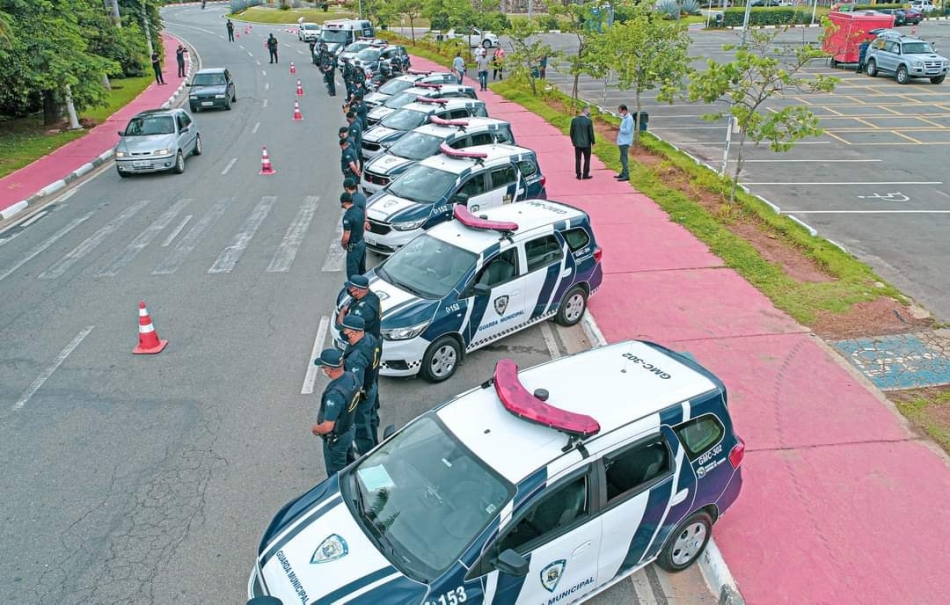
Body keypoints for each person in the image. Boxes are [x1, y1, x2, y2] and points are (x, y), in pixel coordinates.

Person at [312, 349, 361, 477]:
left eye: (323, 367)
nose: (323, 370)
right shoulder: (351, 377)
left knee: (337, 475)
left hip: (337, 439)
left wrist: (316, 429)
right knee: (350, 464)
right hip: (349, 429)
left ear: (329, 369)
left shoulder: (334, 395)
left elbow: (328, 426)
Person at [338, 315, 381, 459]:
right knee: (371, 418)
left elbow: (356, 384)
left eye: (345, 330)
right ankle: (376, 445)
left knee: (361, 427)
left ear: (353, 332)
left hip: (363, 395)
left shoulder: (356, 357)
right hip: (372, 386)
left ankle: (368, 456)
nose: (343, 332)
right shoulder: (370, 339)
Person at [336, 275, 381, 340]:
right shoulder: (371, 296)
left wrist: (342, 311)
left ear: (357, 291)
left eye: (350, 288)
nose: (348, 289)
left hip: (361, 344)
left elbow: (341, 326)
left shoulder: (364, 310)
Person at [340, 191, 366, 278]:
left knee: (353, 274)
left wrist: (343, 244)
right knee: (362, 270)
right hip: (361, 243)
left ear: (344, 203)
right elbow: (363, 227)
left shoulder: (348, 217)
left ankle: (354, 290)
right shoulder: (359, 211)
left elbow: (346, 236)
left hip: (354, 246)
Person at [570, 106, 595, 180]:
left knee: (578, 159)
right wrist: (593, 142)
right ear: (586, 111)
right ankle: (585, 174)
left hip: (577, 143)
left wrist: (574, 141)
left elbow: (571, 132)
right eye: (588, 111)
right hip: (586, 144)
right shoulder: (589, 121)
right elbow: (591, 133)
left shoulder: (574, 120)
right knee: (587, 159)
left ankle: (578, 174)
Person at [616, 104, 633, 182]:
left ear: (624, 110)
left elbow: (627, 130)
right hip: (622, 141)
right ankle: (623, 173)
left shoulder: (629, 119)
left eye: (620, 111)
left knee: (623, 158)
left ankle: (626, 175)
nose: (620, 112)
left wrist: (619, 129)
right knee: (623, 158)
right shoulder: (625, 118)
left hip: (625, 141)